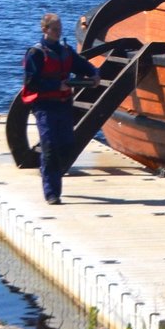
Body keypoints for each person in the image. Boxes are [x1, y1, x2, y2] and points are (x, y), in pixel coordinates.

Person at [20, 12, 98, 205]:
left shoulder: (65, 51)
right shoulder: (36, 53)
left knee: (66, 145)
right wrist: (56, 86)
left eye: (60, 29)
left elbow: (82, 65)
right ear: (44, 29)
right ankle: (52, 193)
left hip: (63, 105)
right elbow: (31, 83)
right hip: (44, 106)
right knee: (50, 148)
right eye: (54, 29)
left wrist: (94, 73)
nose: (58, 32)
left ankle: (49, 172)